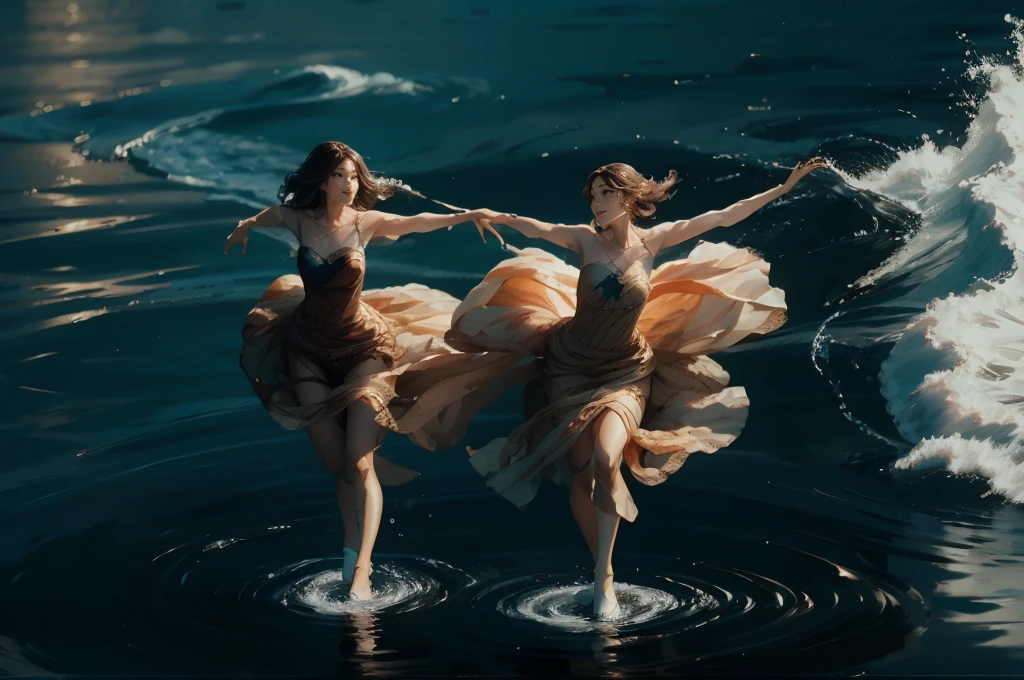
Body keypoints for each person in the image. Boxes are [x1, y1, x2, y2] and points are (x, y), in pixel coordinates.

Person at [445, 158, 826, 618]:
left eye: (606, 193)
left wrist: (783, 187)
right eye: (592, 195)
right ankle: (599, 570)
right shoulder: (583, 239)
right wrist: (485, 214)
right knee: (581, 470)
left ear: (627, 197)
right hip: (568, 366)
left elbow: (724, 216)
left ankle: (604, 575)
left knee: (608, 458)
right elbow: (532, 227)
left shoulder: (653, 242)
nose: (597, 203)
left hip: (626, 368)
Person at [224, 141, 511, 600]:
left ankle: (361, 570)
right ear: (322, 179)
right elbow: (266, 217)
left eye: (355, 176)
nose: (349, 183)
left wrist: (467, 215)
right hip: (307, 348)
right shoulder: (297, 218)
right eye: (340, 175)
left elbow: (418, 222)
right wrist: (243, 226)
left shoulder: (366, 223)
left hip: (364, 348)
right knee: (336, 465)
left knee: (357, 465)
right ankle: (347, 551)